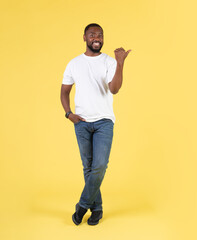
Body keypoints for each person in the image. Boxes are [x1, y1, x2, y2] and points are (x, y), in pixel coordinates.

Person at [60, 23, 131, 226]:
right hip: (81, 123)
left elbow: (114, 89)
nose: (96, 38)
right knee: (88, 167)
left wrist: (120, 63)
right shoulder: (74, 63)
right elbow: (64, 91)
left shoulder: (109, 61)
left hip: (104, 122)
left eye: (100, 35)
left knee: (99, 166)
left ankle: (82, 207)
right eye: (92, 35)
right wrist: (68, 114)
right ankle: (97, 209)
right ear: (84, 37)